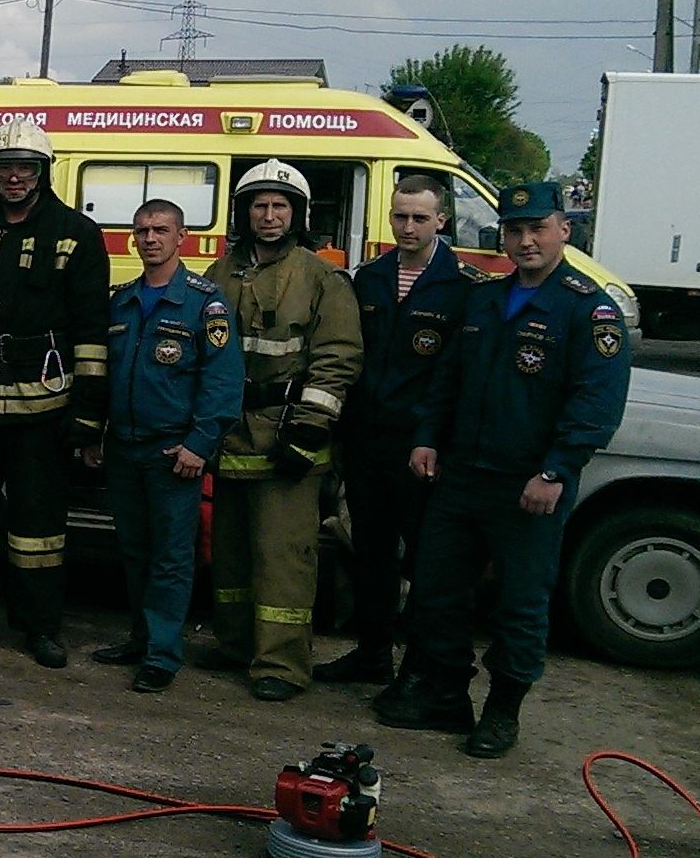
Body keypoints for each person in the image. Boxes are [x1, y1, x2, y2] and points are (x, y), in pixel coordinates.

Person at [377, 181, 630, 758]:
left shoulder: (588, 309)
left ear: (564, 230)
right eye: (514, 230)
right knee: (436, 589)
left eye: (537, 228)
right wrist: (427, 438)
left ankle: (502, 711)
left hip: (528, 484)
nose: (525, 241)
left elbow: (595, 404)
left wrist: (557, 470)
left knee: (519, 603)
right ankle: (444, 694)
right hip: (462, 475)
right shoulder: (486, 299)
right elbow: (448, 378)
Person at [0, 118, 110, 666]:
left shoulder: (76, 235)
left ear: (42, 172)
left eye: (26, 167)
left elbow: (90, 332)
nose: (15, 176)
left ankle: (40, 627)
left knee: (39, 526)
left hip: (45, 408)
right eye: (5, 167)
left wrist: (86, 413)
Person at [201, 161, 363, 702]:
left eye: (280, 206)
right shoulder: (221, 273)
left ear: (298, 214)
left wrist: (310, 430)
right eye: (259, 205)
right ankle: (235, 644)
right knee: (230, 555)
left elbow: (338, 357)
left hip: (288, 438)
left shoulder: (321, 277)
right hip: (230, 436)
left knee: (283, 557)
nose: (269, 216)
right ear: (244, 213)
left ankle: (282, 664)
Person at [315, 174, 483, 685]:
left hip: (422, 447)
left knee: (430, 560)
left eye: (419, 218)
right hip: (368, 439)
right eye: (399, 217)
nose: (407, 227)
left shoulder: (464, 287)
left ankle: (423, 667)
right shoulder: (369, 278)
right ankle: (371, 655)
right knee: (370, 553)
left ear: (442, 221)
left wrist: (435, 437)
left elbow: (457, 376)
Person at [84, 200, 243, 692]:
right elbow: (107, 375)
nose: (150, 238)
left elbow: (224, 381)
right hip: (125, 448)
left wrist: (200, 444)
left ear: (183, 239)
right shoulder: (122, 300)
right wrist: (96, 433)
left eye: (160, 230)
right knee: (134, 551)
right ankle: (140, 637)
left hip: (174, 454)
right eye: (141, 231)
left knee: (172, 558)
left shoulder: (205, 304)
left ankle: (162, 654)